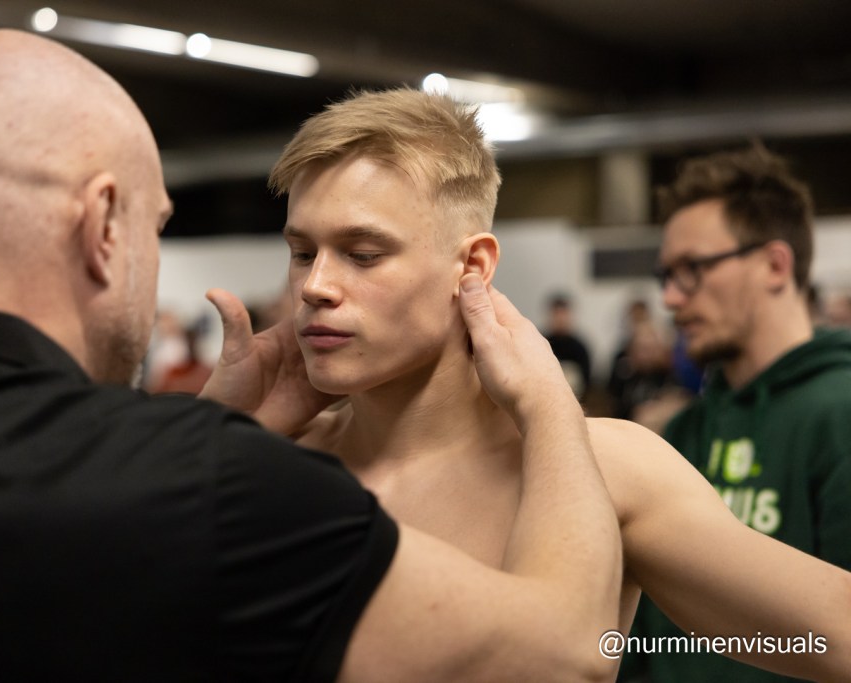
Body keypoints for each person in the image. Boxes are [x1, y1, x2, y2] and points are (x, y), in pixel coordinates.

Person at [0, 30, 626, 681]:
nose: (316, 285)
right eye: (155, 226)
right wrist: (548, 401)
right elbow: (569, 654)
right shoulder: (205, 482)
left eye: (362, 252)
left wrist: (211, 433)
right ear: (103, 227)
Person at [205, 88, 851, 681]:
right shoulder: (273, 462)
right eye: (302, 252)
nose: (316, 285)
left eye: (363, 254)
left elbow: (834, 635)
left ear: (472, 265)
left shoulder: (603, 466)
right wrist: (211, 436)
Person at [627, 145, 851, 682]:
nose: (671, 298)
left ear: (775, 265)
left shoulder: (840, 414)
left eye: (692, 269)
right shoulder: (685, 431)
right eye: (666, 275)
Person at [543, 292, 592, 398]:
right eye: (557, 315)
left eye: (563, 315)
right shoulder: (542, 344)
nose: (560, 319)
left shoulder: (579, 348)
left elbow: (587, 381)